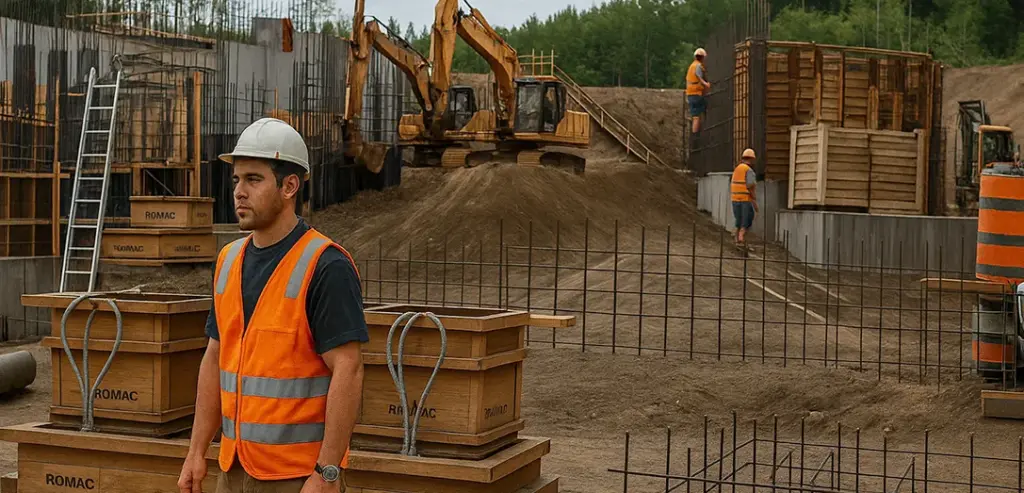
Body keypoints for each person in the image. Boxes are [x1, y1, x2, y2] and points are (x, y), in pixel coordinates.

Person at [177, 117, 368, 493]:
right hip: (233, 469)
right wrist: (196, 450)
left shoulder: (326, 265)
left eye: (253, 179)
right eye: (236, 180)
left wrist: (326, 473)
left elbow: (349, 369)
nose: (239, 192)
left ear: (289, 186)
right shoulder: (228, 261)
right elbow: (216, 357)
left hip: (297, 477)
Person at [732, 148, 759, 247]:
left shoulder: (737, 169)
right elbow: (750, 187)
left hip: (735, 199)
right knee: (747, 219)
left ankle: (737, 239)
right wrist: (755, 201)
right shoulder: (749, 171)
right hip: (745, 199)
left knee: (738, 219)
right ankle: (741, 238)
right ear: (752, 159)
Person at [686, 47, 711, 135]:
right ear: (703, 57)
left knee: (695, 116)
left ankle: (695, 134)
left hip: (690, 94)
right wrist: (706, 84)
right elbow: (699, 76)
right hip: (696, 94)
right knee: (702, 111)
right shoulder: (698, 66)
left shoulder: (692, 66)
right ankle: (697, 134)